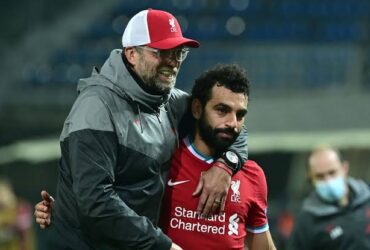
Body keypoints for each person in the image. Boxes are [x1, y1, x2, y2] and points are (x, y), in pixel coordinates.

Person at [34, 9, 248, 250]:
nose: (173, 61)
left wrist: (226, 165)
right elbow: (96, 201)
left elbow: (230, 128)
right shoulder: (96, 107)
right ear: (132, 54)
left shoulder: (170, 102)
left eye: (179, 52)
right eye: (161, 52)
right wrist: (162, 246)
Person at [159, 64, 276, 249]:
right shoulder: (164, 161)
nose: (233, 123)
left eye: (240, 115)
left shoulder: (253, 175)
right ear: (197, 109)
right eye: (222, 110)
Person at [288, 147, 370, 250]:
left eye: (332, 173)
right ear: (310, 178)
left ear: (344, 169)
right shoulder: (307, 220)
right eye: (320, 176)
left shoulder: (367, 199)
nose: (328, 180)